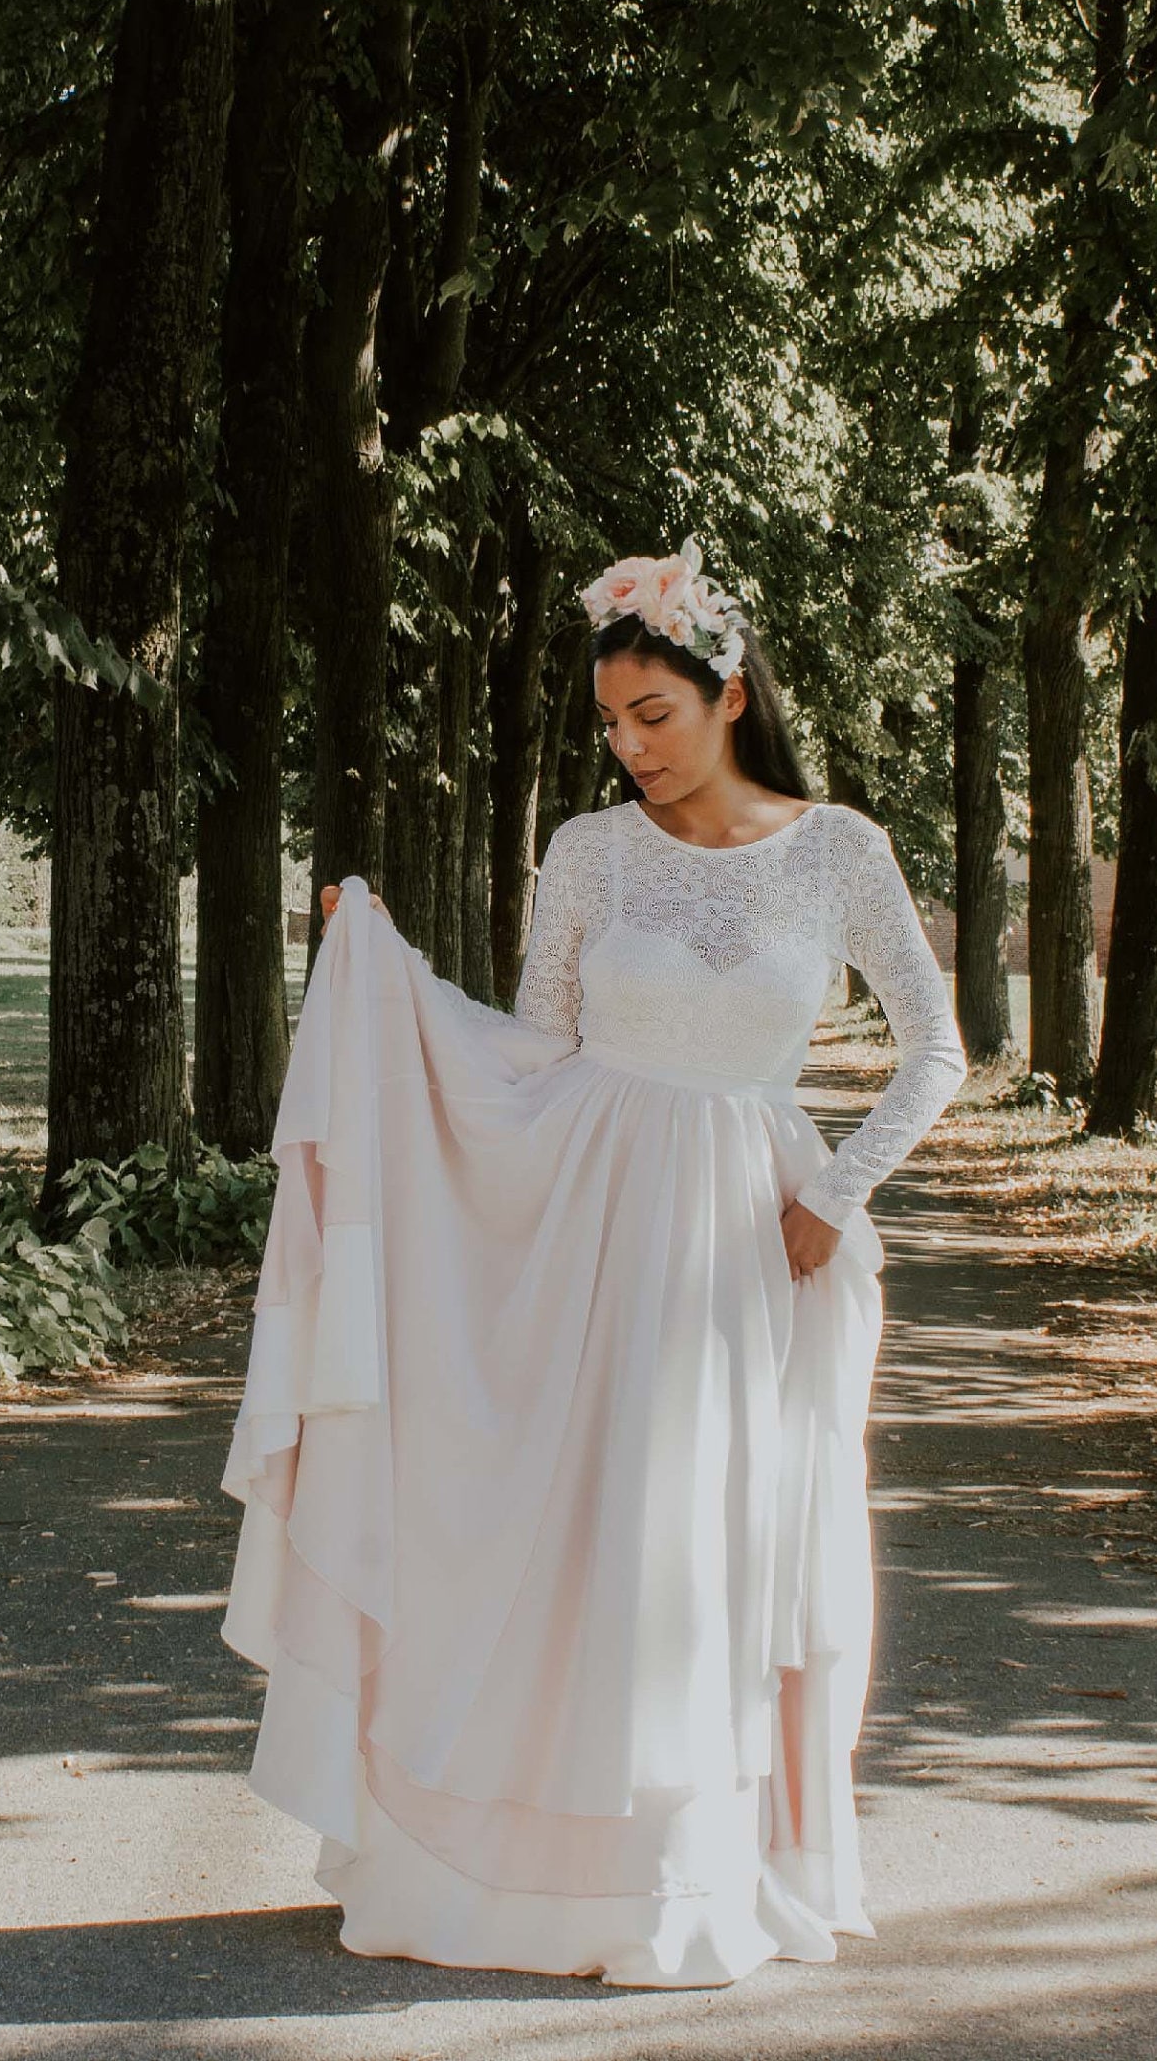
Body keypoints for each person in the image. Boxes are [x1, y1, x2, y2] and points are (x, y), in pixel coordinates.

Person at [220, 538, 967, 1987]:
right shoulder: (587, 852)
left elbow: (937, 1050)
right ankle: (530, 1877)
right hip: (590, 1216)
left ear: (729, 693)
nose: (631, 751)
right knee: (577, 1525)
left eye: (656, 719)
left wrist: (839, 1184)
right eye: (613, 726)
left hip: (756, 1236)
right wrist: (386, 989)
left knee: (706, 1536)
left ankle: (692, 1875)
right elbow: (534, 1052)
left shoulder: (840, 852)